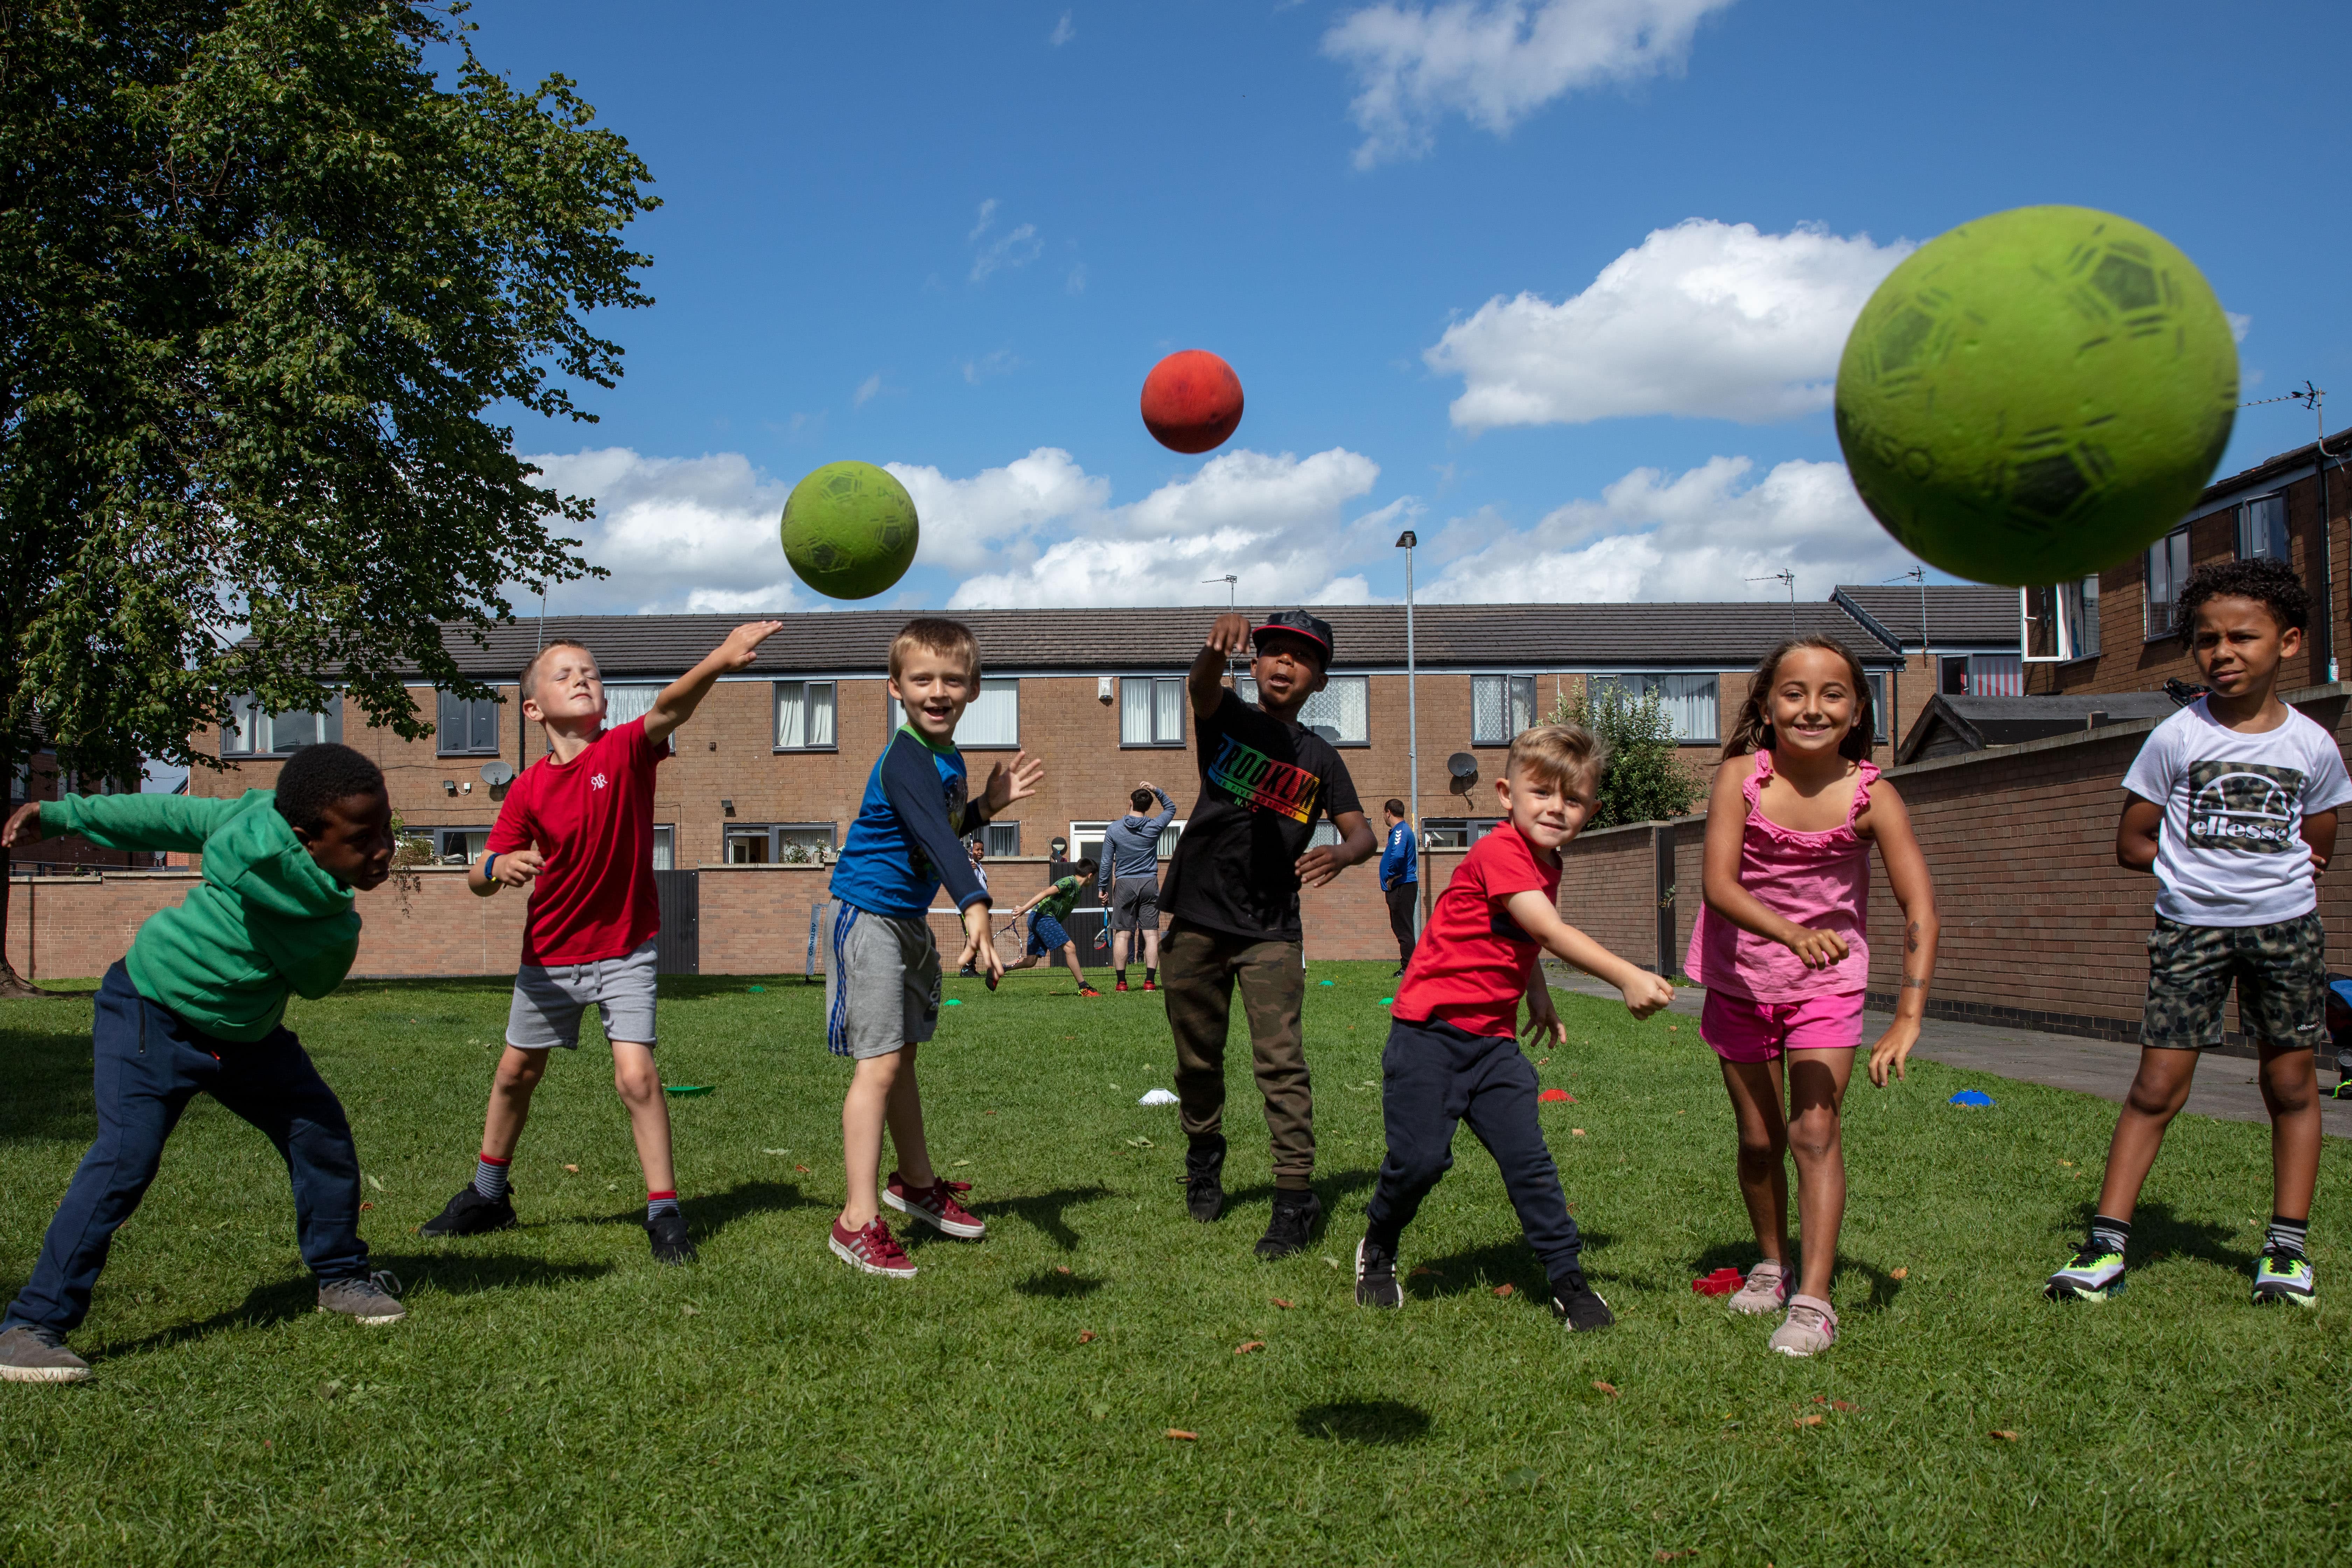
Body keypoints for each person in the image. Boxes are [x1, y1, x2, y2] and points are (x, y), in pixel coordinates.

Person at [0, 744, 403, 1384]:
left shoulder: (265, 829)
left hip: (246, 1035)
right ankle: (30, 1325)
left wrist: (64, 815)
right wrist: (65, 813)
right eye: (363, 837)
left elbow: (167, 819)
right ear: (305, 838)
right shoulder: (317, 906)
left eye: (386, 828)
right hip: (150, 1012)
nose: (384, 848)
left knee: (318, 1132)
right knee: (126, 1157)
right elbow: (163, 814)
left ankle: (342, 1278)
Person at [420, 621, 783, 1265]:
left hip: (624, 949)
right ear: (533, 709)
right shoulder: (529, 787)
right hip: (549, 954)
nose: (583, 678)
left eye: (590, 672)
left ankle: (664, 1210)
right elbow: (480, 874)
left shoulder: (622, 752)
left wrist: (722, 660)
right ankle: (488, 1194)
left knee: (637, 1076)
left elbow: (670, 706)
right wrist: (495, 868)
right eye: (564, 674)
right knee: (514, 1074)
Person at [2048, 559, 2345, 1311]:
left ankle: (2285, 1250)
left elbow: (2319, 839)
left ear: (2288, 641)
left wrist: (2272, 866)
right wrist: (2194, 864)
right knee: (2155, 1085)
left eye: (2242, 636)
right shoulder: (2173, 737)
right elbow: (2131, 841)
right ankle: (2105, 1245)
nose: (2222, 652)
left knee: (2289, 1083)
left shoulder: (2312, 745)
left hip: (2285, 932)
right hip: (2190, 933)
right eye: (2207, 639)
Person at [1354, 726, 1674, 1331]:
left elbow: (1520, 935)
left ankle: (1568, 1280)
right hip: (1428, 1035)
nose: (1556, 808)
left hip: (1493, 1045)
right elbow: (1548, 931)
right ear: (1506, 793)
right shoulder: (1501, 849)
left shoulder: (1548, 860)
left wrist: (1540, 995)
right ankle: (1378, 1241)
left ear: (1592, 811)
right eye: (1542, 793)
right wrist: (1625, 976)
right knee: (1419, 1161)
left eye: (1573, 799)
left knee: (1529, 1163)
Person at [1688, 633, 1939, 1358]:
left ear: (1857, 709)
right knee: (1759, 1138)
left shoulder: (1874, 796)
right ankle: (1772, 1261)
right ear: (1766, 706)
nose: (1812, 706)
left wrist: (1909, 1014)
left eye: (1832, 693)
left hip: (1828, 984)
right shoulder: (1739, 777)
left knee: (1813, 1133)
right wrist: (1791, 932)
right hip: (1741, 980)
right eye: (1793, 692)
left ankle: (1814, 1300)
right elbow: (1719, 885)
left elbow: (1918, 903)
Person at [829, 618, 1042, 1279]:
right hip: (870, 918)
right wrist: (975, 906)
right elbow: (937, 839)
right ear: (896, 688)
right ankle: (857, 1219)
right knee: (879, 1064)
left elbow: (941, 827)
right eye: (922, 679)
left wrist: (983, 806)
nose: (938, 690)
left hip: (908, 921)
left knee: (903, 1057)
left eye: (953, 679)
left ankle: (915, 1184)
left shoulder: (946, 758)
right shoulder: (905, 759)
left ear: (974, 689)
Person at [1160, 609, 1378, 1258]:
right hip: (1197, 918)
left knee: (1281, 1063)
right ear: (1252, 666)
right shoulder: (1228, 719)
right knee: (1197, 1060)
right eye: (1272, 652)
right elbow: (1200, 688)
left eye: (1301, 658)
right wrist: (1210, 648)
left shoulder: (1322, 758)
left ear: (1319, 680)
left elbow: (1363, 831)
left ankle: (1293, 1200)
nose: (1284, 664)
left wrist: (1343, 854)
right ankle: (1204, 1154)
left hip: (1271, 931)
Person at [1100, 782, 1175, 991]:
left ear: (1130, 802)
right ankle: (1150, 982)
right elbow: (1171, 808)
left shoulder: (1114, 829)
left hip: (1124, 884)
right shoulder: (1154, 826)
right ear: (1149, 806)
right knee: (1151, 934)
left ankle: (1122, 983)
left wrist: (1102, 888)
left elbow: (1106, 862)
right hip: (1150, 882)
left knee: (1123, 934)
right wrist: (1156, 790)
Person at [1001, 858, 1103, 995]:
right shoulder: (1069, 882)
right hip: (1043, 917)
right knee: (1070, 948)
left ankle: (1000, 969)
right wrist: (1024, 909)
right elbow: (1045, 893)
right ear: (1091, 876)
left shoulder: (1078, 890)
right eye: (1095, 877)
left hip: (1038, 918)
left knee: (1031, 961)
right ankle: (1084, 987)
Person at [1379, 799, 1420, 975]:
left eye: (1384, 814)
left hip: (1402, 886)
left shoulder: (1400, 831)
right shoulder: (1400, 831)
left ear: (1389, 812)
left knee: (1404, 929)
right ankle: (1409, 966)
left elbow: (1397, 856)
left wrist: (1391, 876)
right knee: (1401, 928)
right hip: (1400, 887)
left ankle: (1408, 968)